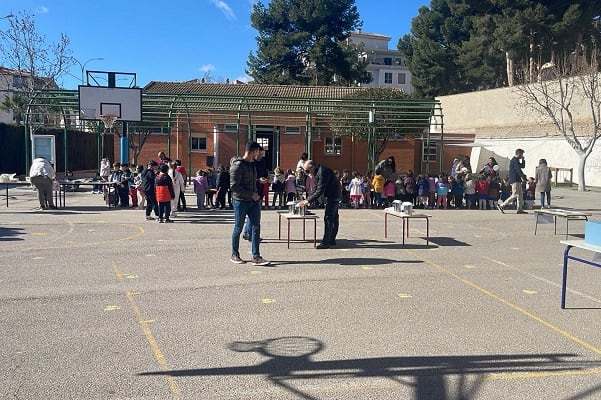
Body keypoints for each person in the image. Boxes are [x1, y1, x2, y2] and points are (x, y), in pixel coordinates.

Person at [229, 141, 270, 266]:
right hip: (240, 201)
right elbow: (234, 186)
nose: (259, 154)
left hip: (253, 202)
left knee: (256, 227)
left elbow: (248, 180)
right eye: (258, 152)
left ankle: (256, 256)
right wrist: (251, 194)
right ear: (253, 151)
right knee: (238, 228)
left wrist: (258, 181)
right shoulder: (237, 166)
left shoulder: (252, 165)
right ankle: (234, 254)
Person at [298, 160, 341, 249]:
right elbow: (315, 188)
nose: (307, 174)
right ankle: (331, 240)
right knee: (333, 218)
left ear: (312, 167)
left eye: (307, 171)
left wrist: (308, 201)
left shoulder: (322, 172)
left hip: (333, 196)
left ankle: (326, 243)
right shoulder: (318, 172)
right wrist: (307, 199)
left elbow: (320, 189)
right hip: (332, 195)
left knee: (329, 218)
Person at [497, 148, 527, 214]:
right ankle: (502, 205)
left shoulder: (516, 160)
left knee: (520, 196)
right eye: (521, 154)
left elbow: (522, 166)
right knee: (515, 194)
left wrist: (523, 160)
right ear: (518, 153)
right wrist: (524, 178)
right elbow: (518, 170)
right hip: (515, 179)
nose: (522, 155)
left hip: (518, 179)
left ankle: (519, 209)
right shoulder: (514, 160)